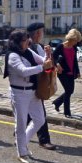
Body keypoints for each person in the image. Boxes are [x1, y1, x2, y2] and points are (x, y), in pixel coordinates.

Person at [4, 30, 53, 163]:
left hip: (32, 91)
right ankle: (22, 152)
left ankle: (22, 143)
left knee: (39, 119)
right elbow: (22, 71)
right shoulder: (13, 55)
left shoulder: (28, 52)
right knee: (20, 123)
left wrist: (48, 54)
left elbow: (43, 61)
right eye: (26, 40)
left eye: (28, 39)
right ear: (18, 42)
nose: (28, 42)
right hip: (19, 93)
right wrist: (42, 67)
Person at [26, 22, 57, 150]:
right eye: (42, 32)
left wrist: (49, 55)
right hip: (31, 85)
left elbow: (47, 63)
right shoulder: (29, 47)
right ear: (38, 33)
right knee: (40, 115)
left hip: (35, 85)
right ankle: (43, 140)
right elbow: (41, 65)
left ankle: (20, 133)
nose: (42, 34)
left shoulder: (39, 46)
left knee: (29, 113)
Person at [52, 29, 82, 118]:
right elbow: (53, 57)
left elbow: (74, 60)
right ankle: (67, 112)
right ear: (71, 39)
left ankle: (57, 102)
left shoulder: (74, 48)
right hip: (62, 72)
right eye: (75, 40)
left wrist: (78, 72)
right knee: (68, 91)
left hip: (71, 72)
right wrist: (57, 64)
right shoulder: (60, 47)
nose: (76, 42)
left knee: (70, 91)